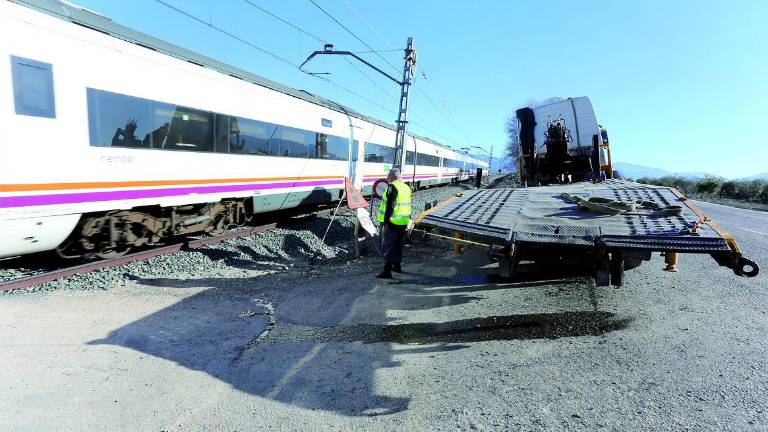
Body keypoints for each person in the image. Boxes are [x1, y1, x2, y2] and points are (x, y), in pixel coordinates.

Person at [375, 168, 412, 279]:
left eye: (388, 176)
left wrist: (386, 221)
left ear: (391, 177)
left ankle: (387, 271)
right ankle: (397, 266)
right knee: (398, 245)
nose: (387, 178)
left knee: (388, 245)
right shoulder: (406, 187)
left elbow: (389, 206)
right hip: (403, 221)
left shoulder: (392, 187)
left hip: (392, 221)